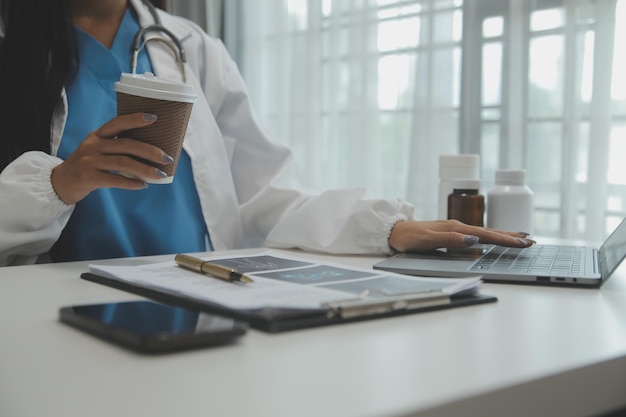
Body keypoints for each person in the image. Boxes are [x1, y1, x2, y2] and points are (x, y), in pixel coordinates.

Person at [0, 0, 533, 267]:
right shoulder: (13, 54)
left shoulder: (191, 48)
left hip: (197, 301)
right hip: (63, 313)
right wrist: (60, 183)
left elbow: (260, 199)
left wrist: (385, 229)